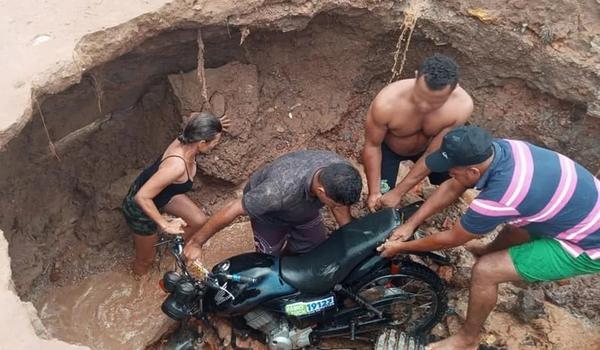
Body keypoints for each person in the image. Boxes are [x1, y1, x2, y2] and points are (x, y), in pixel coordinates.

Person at [377, 125, 600, 350]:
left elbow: (453, 238)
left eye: (452, 170)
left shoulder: (502, 196)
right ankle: (488, 251)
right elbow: (454, 186)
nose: (449, 174)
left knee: (486, 271)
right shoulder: (500, 149)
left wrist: (402, 247)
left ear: (473, 172)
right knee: (514, 226)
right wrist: (410, 224)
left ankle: (467, 340)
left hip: (588, 245)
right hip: (577, 208)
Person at [183, 150, 363, 261]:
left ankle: (290, 259)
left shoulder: (340, 170)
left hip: (305, 212)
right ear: (322, 191)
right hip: (270, 216)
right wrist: (197, 242)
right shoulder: (276, 192)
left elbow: (341, 206)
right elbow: (232, 210)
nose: (337, 208)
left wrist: (352, 241)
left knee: (313, 249)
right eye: (334, 204)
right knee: (268, 259)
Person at [363, 54, 473, 212]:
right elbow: (372, 146)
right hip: (390, 151)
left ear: (453, 90)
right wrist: (374, 193)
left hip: (428, 149)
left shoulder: (461, 107)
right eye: (420, 96)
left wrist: (399, 193)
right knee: (382, 197)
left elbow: (432, 153)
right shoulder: (387, 103)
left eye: (435, 102)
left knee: (454, 179)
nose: (424, 106)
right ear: (416, 77)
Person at [122, 112, 229, 275]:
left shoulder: (189, 134)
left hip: (163, 194)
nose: (216, 144)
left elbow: (194, 116)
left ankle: (172, 248)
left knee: (199, 221)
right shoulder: (176, 166)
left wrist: (213, 125)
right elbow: (141, 197)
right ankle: (137, 277)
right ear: (201, 143)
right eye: (215, 141)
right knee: (146, 260)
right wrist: (164, 224)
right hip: (140, 207)